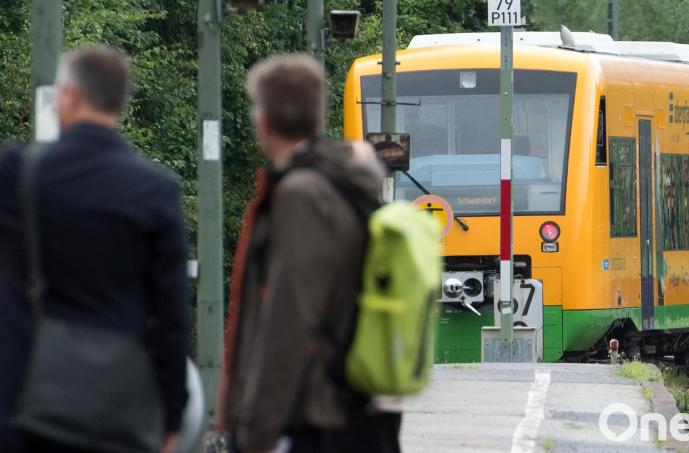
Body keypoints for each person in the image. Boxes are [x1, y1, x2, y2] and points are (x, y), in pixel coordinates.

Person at [0, 45, 189, 453]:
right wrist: (173, 412)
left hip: (28, 395)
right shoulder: (155, 189)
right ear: (119, 103)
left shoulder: (21, 173)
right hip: (118, 407)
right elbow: (171, 313)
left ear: (69, 95)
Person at [221, 54, 400, 453]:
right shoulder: (345, 186)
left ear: (263, 121)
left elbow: (290, 319)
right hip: (351, 410)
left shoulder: (303, 195)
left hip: (315, 418)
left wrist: (254, 433)